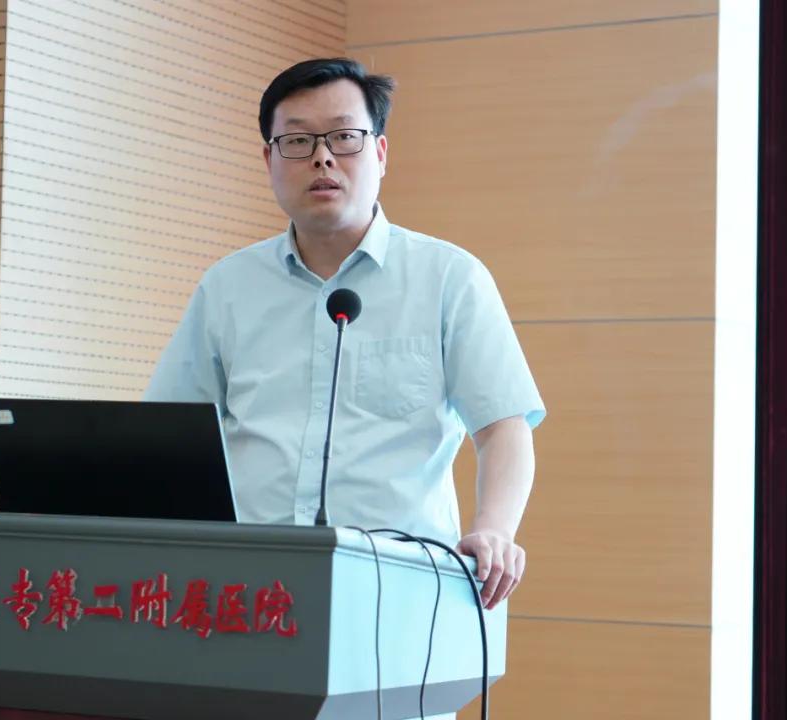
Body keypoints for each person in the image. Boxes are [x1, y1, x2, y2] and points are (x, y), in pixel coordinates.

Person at [146, 58, 544, 611]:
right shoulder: (227, 288)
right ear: (268, 160)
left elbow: (503, 426)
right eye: (297, 141)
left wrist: (495, 529)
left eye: (344, 137)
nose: (322, 157)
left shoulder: (448, 278)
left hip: (401, 593)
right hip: (248, 591)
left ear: (380, 152)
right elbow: (168, 433)